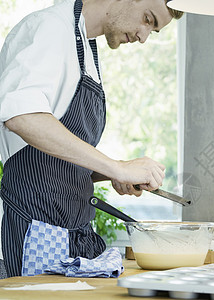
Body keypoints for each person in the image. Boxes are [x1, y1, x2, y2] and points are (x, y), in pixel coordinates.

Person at [0, 0, 183, 277]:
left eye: (153, 31)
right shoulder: (50, 28)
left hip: (76, 237)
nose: (143, 37)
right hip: (35, 232)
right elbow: (23, 117)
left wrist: (114, 171)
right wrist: (117, 167)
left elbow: (61, 161)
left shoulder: (85, 47)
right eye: (147, 19)